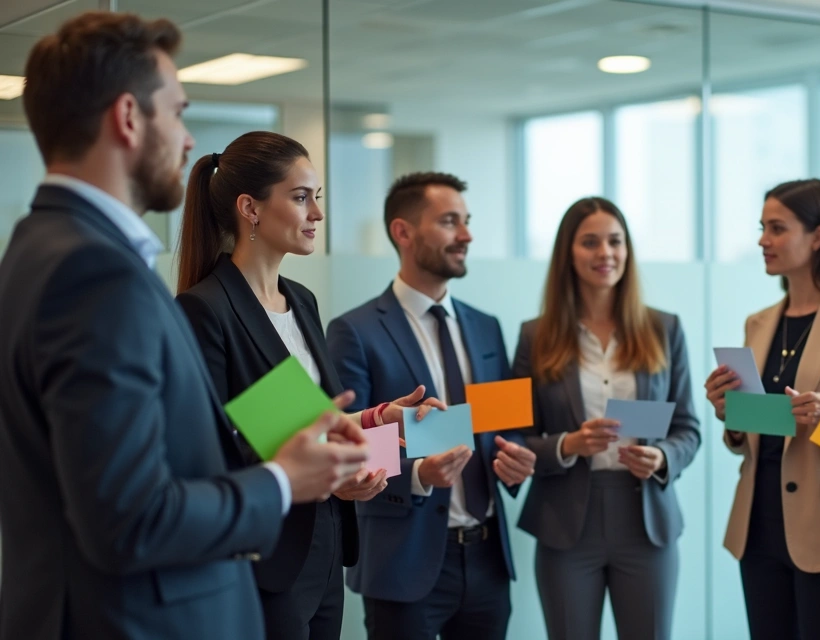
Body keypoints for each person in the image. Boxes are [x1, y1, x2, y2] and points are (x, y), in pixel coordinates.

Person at [0, 12, 369, 639]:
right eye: (178, 111)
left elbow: (179, 452)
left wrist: (347, 435)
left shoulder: (44, 247)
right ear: (127, 117)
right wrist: (283, 480)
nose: (191, 140)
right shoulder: (94, 271)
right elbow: (130, 517)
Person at [174, 131, 442, 640]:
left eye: (317, 197)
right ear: (249, 208)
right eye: (301, 198)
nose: (317, 214)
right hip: (265, 555)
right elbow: (214, 451)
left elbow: (306, 422)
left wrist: (376, 420)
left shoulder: (302, 300)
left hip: (326, 546)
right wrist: (326, 473)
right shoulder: (204, 309)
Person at [327, 171, 537, 640]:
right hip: (403, 562)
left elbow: (504, 424)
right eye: (449, 222)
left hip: (486, 559)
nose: (466, 235)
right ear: (403, 232)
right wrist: (420, 474)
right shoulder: (354, 330)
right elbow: (353, 443)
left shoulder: (486, 326)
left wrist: (515, 456)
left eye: (466, 221)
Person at [705, 179, 820, 639]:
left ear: (818, 236)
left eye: (776, 228)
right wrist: (728, 410)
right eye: (761, 228)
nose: (762, 241)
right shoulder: (760, 322)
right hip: (758, 529)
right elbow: (757, 431)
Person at [512, 197, 701, 640]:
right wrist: (566, 445)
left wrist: (661, 457)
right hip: (564, 525)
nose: (605, 253)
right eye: (590, 242)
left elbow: (688, 428)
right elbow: (512, 438)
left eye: (615, 241)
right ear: (568, 252)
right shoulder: (535, 336)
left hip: (646, 521)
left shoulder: (664, 329)